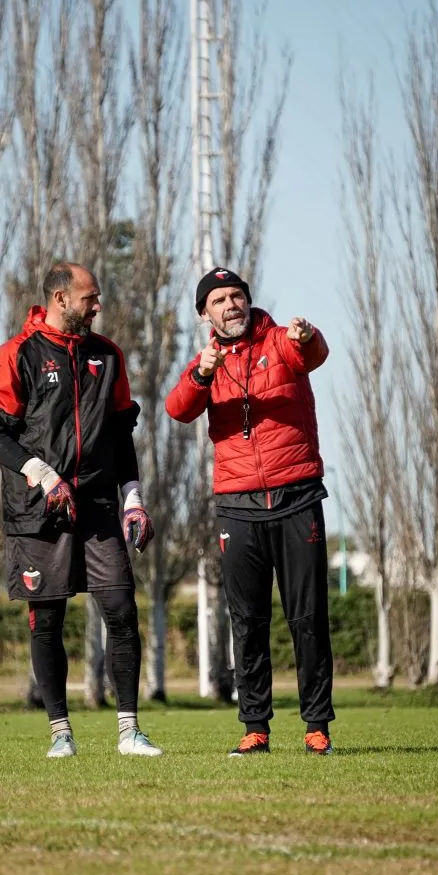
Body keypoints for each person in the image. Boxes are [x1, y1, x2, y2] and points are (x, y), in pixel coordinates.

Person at [0, 262, 162, 758]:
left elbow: (122, 435)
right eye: (89, 298)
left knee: (122, 609)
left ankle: (130, 732)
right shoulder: (17, 354)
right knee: (49, 618)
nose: (97, 306)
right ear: (60, 299)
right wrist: (43, 474)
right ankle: (61, 733)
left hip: (100, 507)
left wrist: (134, 498)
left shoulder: (108, 356)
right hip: (37, 510)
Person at [166, 267, 335, 755]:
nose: (230, 305)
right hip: (237, 507)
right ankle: (254, 726)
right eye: (218, 300)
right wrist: (203, 372)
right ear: (204, 314)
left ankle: (316, 725)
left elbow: (313, 353)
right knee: (248, 619)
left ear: (248, 301)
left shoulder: (282, 341)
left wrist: (309, 335)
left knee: (306, 617)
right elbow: (177, 409)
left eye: (236, 296)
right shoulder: (207, 363)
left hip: (297, 496)